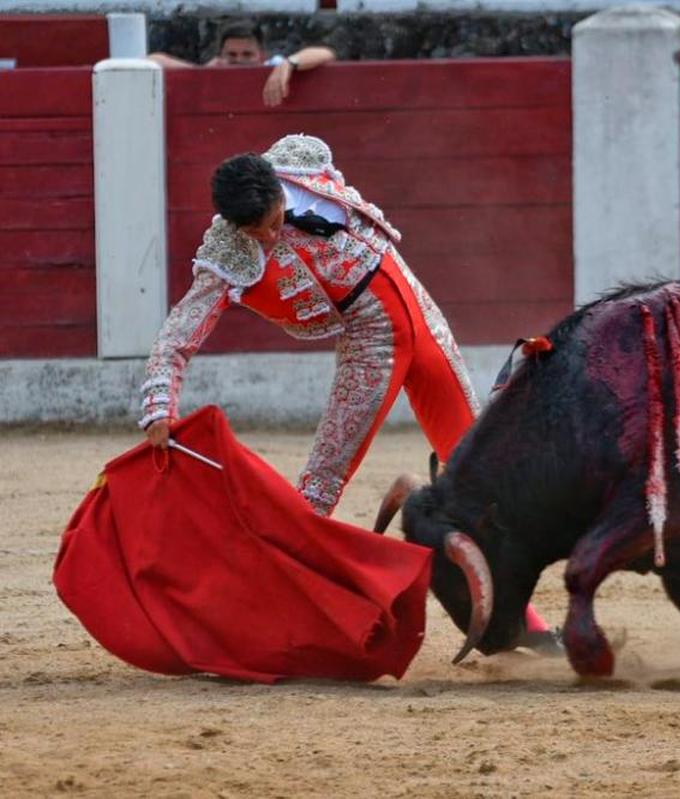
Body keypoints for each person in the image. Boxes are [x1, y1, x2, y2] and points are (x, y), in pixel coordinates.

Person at [140, 133, 557, 647]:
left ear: (277, 188)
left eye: (272, 222)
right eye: (257, 232)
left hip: (420, 312)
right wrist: (160, 403)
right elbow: (178, 334)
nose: (269, 238)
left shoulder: (300, 163)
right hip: (370, 340)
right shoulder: (227, 252)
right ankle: (265, 625)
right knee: (317, 494)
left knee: (477, 469)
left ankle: (524, 627)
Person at [147, 20, 336, 107]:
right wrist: (201, 73)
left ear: (261, 55)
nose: (238, 60)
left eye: (247, 54)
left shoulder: (275, 65)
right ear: (220, 55)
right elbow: (152, 60)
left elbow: (326, 53)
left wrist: (289, 64)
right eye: (232, 54)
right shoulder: (215, 68)